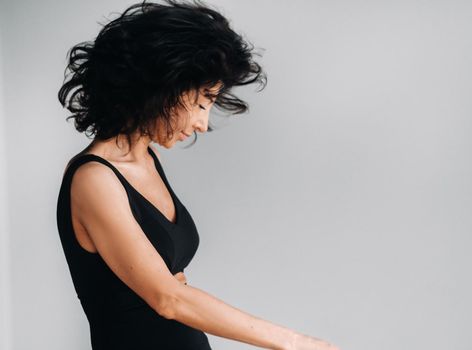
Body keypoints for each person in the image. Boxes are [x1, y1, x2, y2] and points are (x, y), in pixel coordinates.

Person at [56, 1, 340, 349]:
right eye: (204, 101)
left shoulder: (146, 159)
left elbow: (165, 291)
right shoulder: (94, 180)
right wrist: (296, 342)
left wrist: (173, 288)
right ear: (163, 85)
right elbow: (168, 299)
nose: (203, 124)